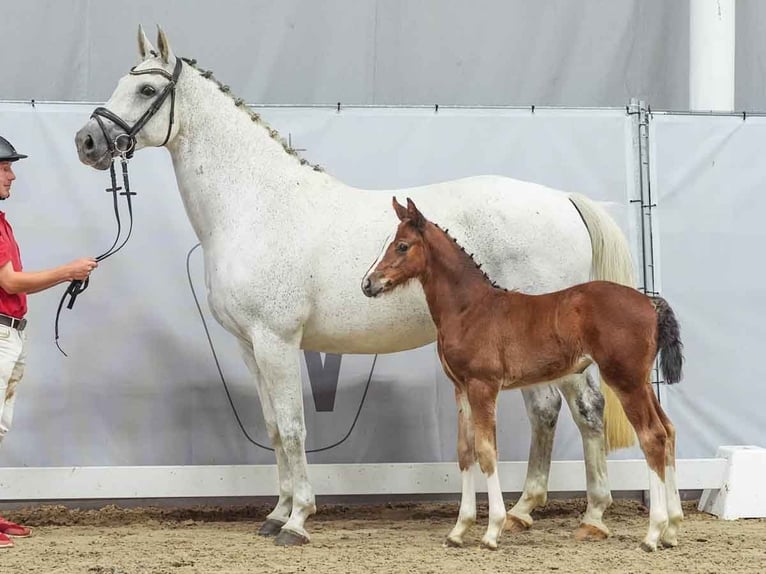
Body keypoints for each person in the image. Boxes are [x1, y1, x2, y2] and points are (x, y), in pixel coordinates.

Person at [0, 135, 98, 549]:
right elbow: (8, 281)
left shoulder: (2, 221)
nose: (12, 174)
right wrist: (67, 271)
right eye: (4, 167)